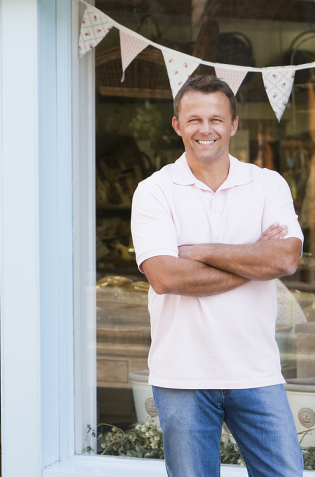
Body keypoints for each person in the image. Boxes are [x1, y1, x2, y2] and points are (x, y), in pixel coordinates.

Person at [131, 74, 305, 476]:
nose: (205, 130)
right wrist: (253, 260)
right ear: (177, 125)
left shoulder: (267, 184)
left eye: (215, 119)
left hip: (256, 371)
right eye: (193, 120)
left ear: (234, 124)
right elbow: (165, 276)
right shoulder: (155, 191)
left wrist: (202, 251)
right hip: (182, 375)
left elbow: (285, 260)